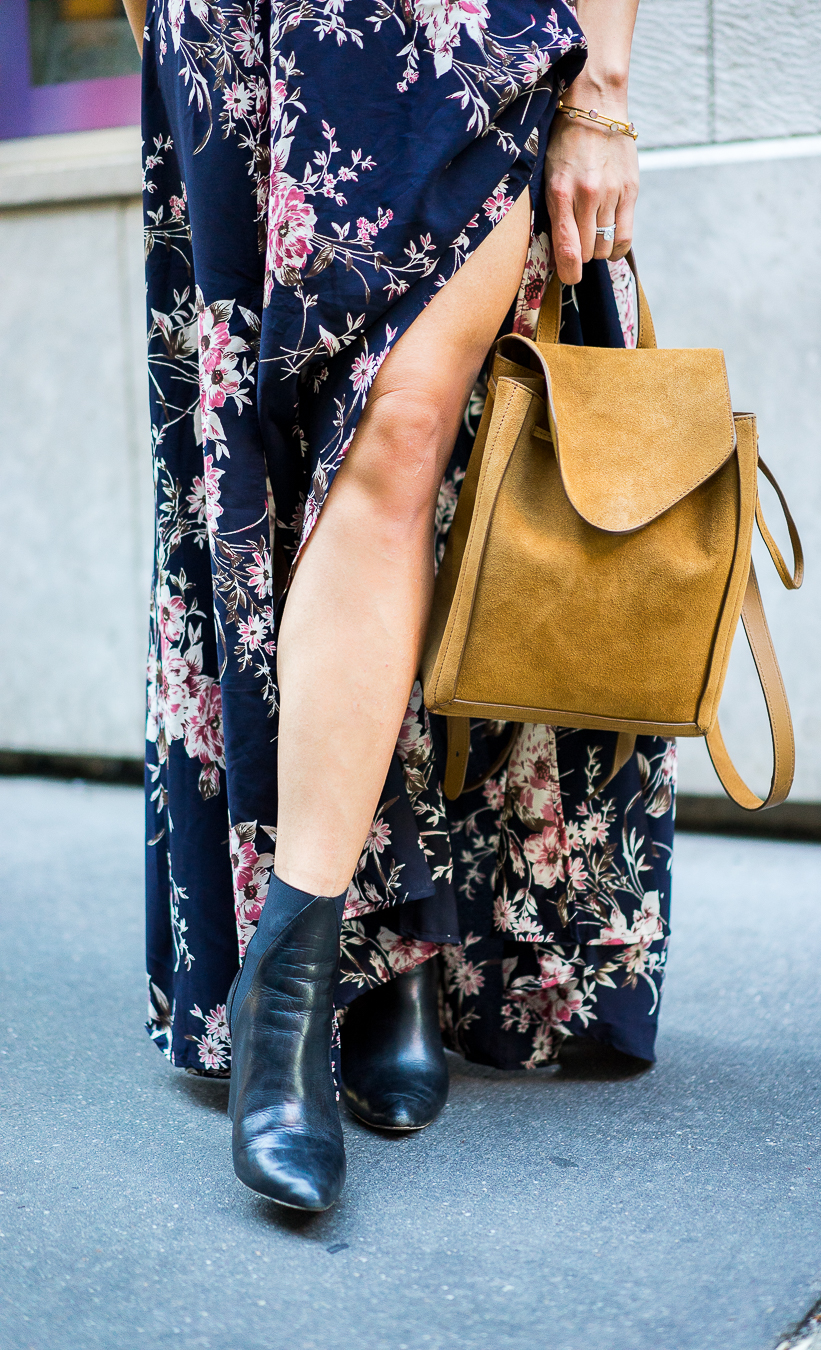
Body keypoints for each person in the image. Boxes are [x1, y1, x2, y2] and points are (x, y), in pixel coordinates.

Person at [124, 0, 674, 1212]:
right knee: (270, 484)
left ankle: (290, 994)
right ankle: (393, 944)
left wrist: (604, 89)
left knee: (405, 433)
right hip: (243, 31)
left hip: (459, 26)